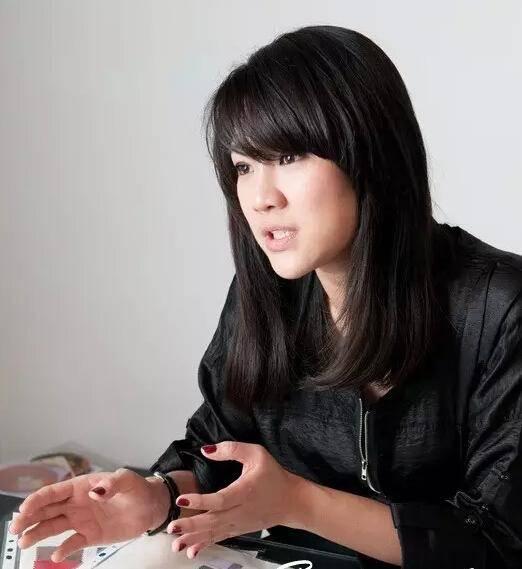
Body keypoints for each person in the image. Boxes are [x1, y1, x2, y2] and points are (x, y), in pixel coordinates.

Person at [8, 25, 522, 569]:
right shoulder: (271, 293)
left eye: (289, 156)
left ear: (372, 155)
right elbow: (219, 450)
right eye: (244, 167)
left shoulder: (499, 310)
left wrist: (301, 502)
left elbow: (497, 543)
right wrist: (156, 498)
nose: (260, 198)